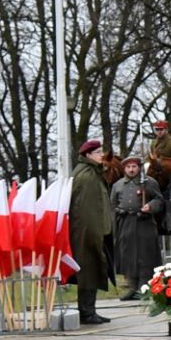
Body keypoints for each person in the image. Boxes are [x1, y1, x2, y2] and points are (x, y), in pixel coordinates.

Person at [70, 139, 114, 324]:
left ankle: (89, 309)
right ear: (88, 155)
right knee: (88, 270)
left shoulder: (92, 173)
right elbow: (87, 209)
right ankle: (86, 312)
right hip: (88, 232)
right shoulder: (87, 176)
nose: (101, 155)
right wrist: (94, 234)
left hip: (94, 230)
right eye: (97, 152)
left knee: (92, 269)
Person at [110, 157, 164, 301]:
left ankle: (144, 287)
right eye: (128, 167)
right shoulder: (118, 185)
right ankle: (132, 287)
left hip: (144, 222)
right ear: (124, 169)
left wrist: (150, 206)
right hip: (125, 223)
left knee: (144, 255)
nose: (131, 169)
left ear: (139, 167)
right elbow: (112, 205)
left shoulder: (149, 182)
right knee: (127, 255)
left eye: (134, 166)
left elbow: (159, 200)